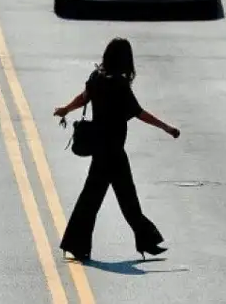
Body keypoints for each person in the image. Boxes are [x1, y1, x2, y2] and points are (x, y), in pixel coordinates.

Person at [53, 37, 181, 262]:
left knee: (93, 199)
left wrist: (65, 109)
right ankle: (146, 241)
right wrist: (167, 127)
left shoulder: (96, 78)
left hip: (101, 150)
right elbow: (140, 113)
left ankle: (79, 244)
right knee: (125, 200)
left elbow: (83, 99)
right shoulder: (119, 86)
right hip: (113, 152)